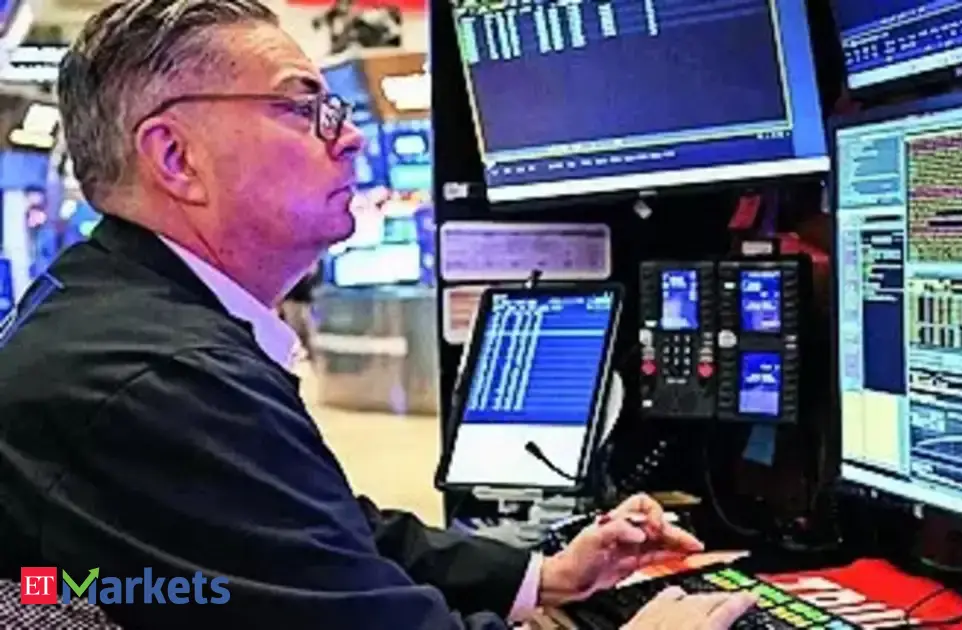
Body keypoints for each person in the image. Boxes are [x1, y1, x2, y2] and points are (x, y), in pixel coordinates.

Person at [0, 2, 756, 629]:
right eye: (303, 108)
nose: (352, 134)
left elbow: (314, 535)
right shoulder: (166, 377)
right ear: (175, 157)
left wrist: (544, 575)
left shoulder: (115, 305)